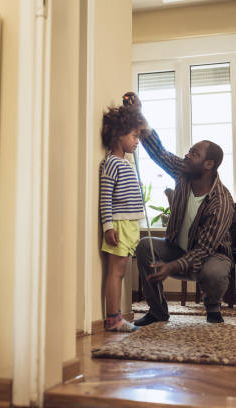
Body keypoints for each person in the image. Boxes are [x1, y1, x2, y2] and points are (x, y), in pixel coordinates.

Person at [124, 93, 234, 326]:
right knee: (146, 246)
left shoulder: (221, 200)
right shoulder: (183, 172)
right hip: (177, 250)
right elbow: (159, 152)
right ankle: (158, 311)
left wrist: (171, 267)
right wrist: (139, 114)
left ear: (209, 165)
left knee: (213, 272)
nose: (186, 155)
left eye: (194, 153)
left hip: (210, 258)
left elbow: (204, 250)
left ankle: (213, 306)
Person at [99, 104, 147, 332]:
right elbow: (105, 197)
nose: (137, 141)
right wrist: (108, 226)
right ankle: (113, 318)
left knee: (122, 272)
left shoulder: (125, 162)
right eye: (134, 136)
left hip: (129, 224)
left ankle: (116, 316)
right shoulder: (111, 163)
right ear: (119, 135)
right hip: (118, 224)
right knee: (115, 272)